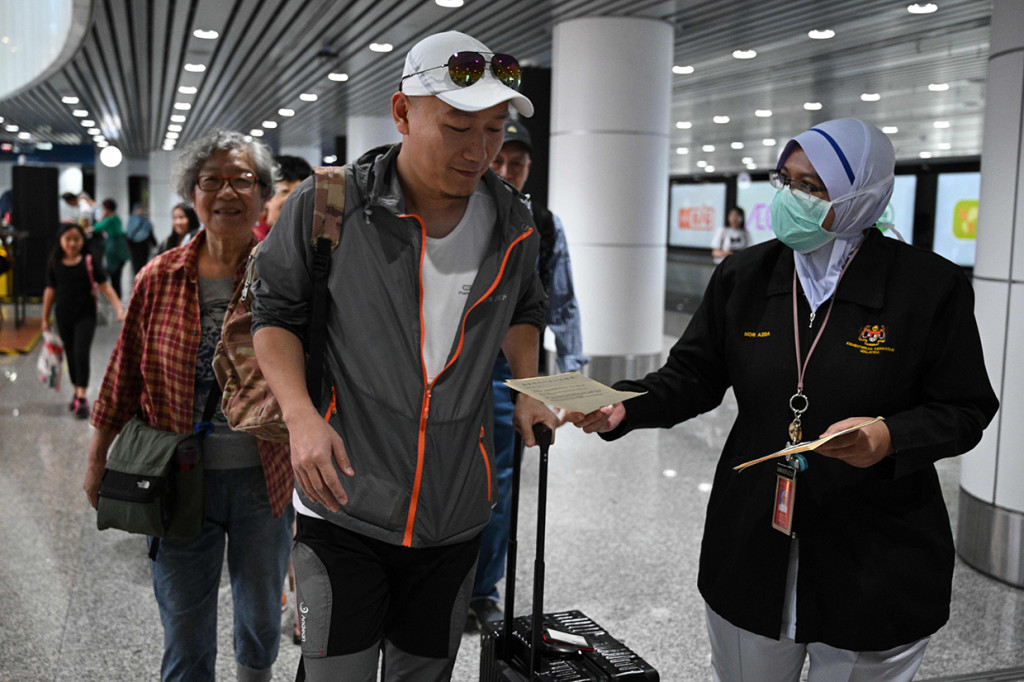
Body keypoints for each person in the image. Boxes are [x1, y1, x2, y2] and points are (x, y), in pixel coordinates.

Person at [569, 118, 998, 681]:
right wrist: (628, 404)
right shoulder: (745, 276)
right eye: (785, 179)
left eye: (813, 187)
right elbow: (694, 374)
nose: (790, 198)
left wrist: (889, 438)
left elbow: (965, 408)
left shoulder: (928, 288)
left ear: (863, 196)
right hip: (752, 537)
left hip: (873, 552)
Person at [250, 30, 560, 681]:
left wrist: (530, 384)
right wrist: (302, 417)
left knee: (425, 674)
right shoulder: (328, 204)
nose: (480, 151)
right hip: (344, 500)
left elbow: (526, 309)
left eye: (495, 130)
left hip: (456, 511)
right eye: (457, 128)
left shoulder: (515, 223)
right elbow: (272, 315)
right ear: (401, 113)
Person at [83, 130, 293, 682]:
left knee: (260, 613)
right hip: (178, 477)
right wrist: (96, 457)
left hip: (264, 477)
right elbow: (123, 375)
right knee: (183, 620)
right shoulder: (158, 278)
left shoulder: (285, 275)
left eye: (242, 179)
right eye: (212, 180)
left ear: (263, 192)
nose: (227, 191)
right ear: (192, 193)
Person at [466, 117, 587, 630]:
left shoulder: (544, 223)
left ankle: (480, 590)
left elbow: (563, 303)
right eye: (498, 159)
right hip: (446, 364)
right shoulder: (459, 211)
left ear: (529, 167)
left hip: (510, 369)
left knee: (499, 482)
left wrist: (574, 380)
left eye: (516, 162)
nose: (505, 169)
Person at [40, 223, 125, 418]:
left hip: (86, 315)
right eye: (67, 239)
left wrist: (119, 307)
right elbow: (50, 290)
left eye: (76, 239)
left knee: (80, 351)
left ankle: (82, 396)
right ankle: (76, 391)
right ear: (60, 241)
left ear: (82, 241)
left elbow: (105, 286)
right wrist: (44, 318)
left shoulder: (88, 261)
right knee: (70, 353)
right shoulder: (55, 262)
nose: (72, 243)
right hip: (63, 315)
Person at [253, 155, 313, 241]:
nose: (291, 199)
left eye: (299, 193)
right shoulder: (251, 242)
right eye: (284, 191)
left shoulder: (311, 242)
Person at [92, 198, 131, 298]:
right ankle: (117, 296)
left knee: (114, 276)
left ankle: (115, 297)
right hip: (120, 250)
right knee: (116, 276)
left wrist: (102, 218)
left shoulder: (109, 219)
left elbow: (97, 227)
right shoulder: (116, 217)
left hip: (114, 251)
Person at [125, 202, 156, 277]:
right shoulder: (131, 220)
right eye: (137, 209)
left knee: (143, 264)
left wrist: (154, 243)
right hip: (134, 246)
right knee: (136, 264)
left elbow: (150, 232)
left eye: (140, 209)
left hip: (144, 245)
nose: (139, 211)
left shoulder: (146, 221)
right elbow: (129, 233)